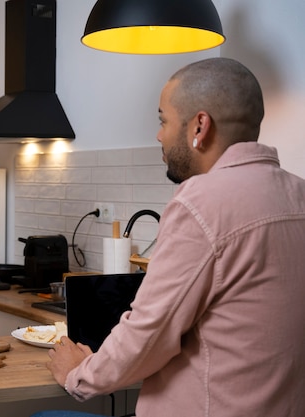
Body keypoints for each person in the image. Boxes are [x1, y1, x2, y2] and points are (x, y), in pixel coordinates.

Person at [34, 58, 305, 417]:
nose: (159, 135)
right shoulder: (298, 195)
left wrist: (78, 375)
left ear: (200, 126)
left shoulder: (201, 203)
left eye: (163, 120)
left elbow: (148, 335)